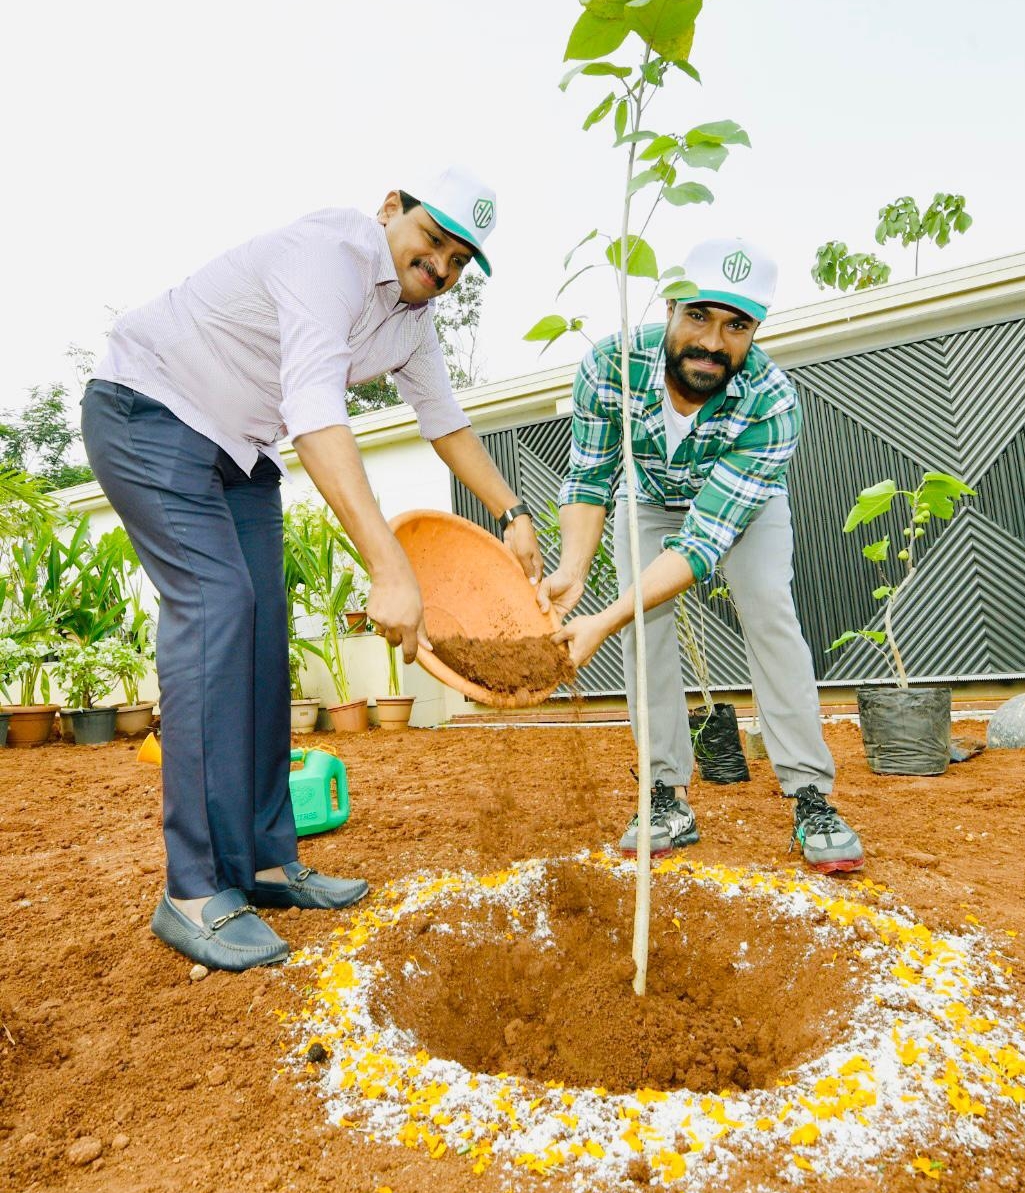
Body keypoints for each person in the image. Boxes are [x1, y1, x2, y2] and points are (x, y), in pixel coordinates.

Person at [81, 167, 542, 971]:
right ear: (391, 208)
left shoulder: (412, 321)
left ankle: (263, 861)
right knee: (217, 608)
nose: (439, 268)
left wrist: (512, 514)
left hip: (238, 449)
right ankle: (191, 891)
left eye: (459, 261)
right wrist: (390, 567)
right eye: (432, 241)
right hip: (147, 409)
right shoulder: (327, 255)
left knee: (259, 635)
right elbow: (315, 409)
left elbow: (444, 420)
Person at [537, 237, 864, 874]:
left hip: (739, 508)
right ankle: (664, 794)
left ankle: (810, 795)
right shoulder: (609, 366)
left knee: (770, 611)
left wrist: (602, 620)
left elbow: (703, 542)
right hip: (650, 496)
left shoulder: (772, 401)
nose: (713, 341)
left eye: (735, 326)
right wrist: (573, 571)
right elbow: (587, 478)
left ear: (755, 331)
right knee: (643, 631)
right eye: (699, 317)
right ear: (670, 307)